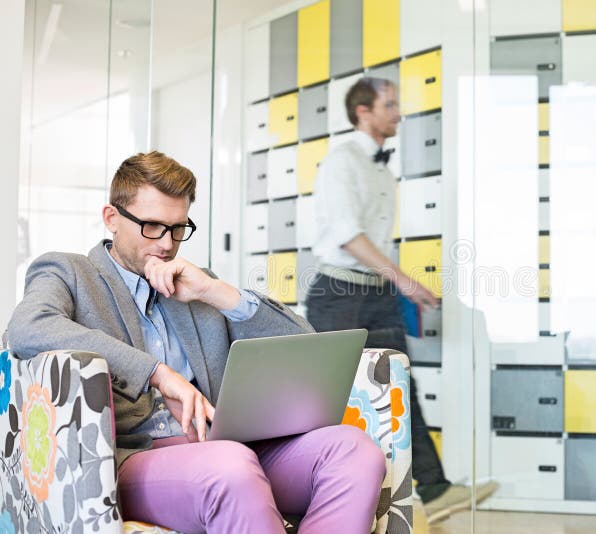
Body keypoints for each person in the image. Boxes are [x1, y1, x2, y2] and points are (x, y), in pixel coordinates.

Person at [7, 152, 385, 533]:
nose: (167, 244)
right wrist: (156, 373)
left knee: (355, 452)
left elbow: (306, 343)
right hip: (138, 457)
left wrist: (218, 292)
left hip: (229, 444)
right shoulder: (70, 272)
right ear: (112, 218)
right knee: (230, 467)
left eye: (178, 228)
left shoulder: (194, 284)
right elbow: (28, 327)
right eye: (152, 226)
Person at [304, 77, 497, 524]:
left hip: (377, 293)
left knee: (398, 390)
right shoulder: (342, 161)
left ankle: (434, 488)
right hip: (339, 293)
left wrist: (398, 284)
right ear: (363, 112)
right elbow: (348, 236)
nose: (398, 112)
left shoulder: (381, 169)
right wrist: (406, 281)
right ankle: (324, 492)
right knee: (333, 399)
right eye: (389, 105)